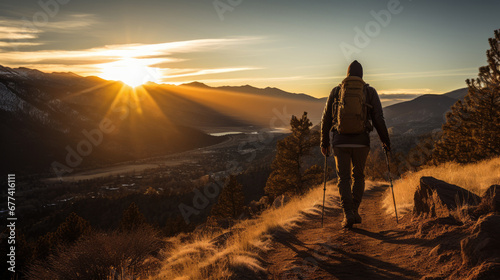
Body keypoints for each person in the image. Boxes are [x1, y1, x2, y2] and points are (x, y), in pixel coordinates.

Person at [320, 60, 391, 228]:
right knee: (358, 176)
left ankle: (348, 214)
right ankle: (354, 210)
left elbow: (325, 119)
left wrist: (324, 142)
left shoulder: (337, 91)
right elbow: (378, 119)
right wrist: (385, 141)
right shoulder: (369, 91)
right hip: (361, 142)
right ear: (362, 75)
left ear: (347, 74)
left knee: (343, 178)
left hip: (340, 142)